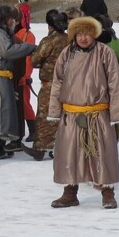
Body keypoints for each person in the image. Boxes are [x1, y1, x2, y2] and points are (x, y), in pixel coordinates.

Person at [46, 16, 119, 210]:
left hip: (98, 114)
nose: (83, 38)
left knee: (102, 154)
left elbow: (115, 84)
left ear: (94, 35)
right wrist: (55, 110)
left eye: (87, 34)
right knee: (69, 154)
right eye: (79, 34)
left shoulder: (105, 53)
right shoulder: (67, 54)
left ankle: (107, 193)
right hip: (71, 114)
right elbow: (57, 83)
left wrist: (116, 113)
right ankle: (70, 192)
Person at [0, 6, 37, 160]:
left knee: (2, 112)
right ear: (6, 19)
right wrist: (29, 48)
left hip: (1, 77)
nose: (14, 22)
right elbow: (7, 51)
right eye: (12, 19)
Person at [25, 10, 69, 160]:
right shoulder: (71, 40)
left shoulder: (48, 41)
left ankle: (40, 148)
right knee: (64, 117)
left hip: (50, 84)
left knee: (45, 116)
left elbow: (34, 60)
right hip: (68, 85)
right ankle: (60, 146)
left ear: (50, 26)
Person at [96, 15, 119, 141]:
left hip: (104, 82)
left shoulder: (101, 42)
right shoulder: (116, 40)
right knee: (116, 108)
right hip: (116, 79)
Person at [11, 18, 37, 150]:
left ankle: (33, 130)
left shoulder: (27, 35)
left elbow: (28, 57)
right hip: (13, 74)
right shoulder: (11, 34)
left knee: (25, 103)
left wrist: (26, 75)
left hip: (22, 75)